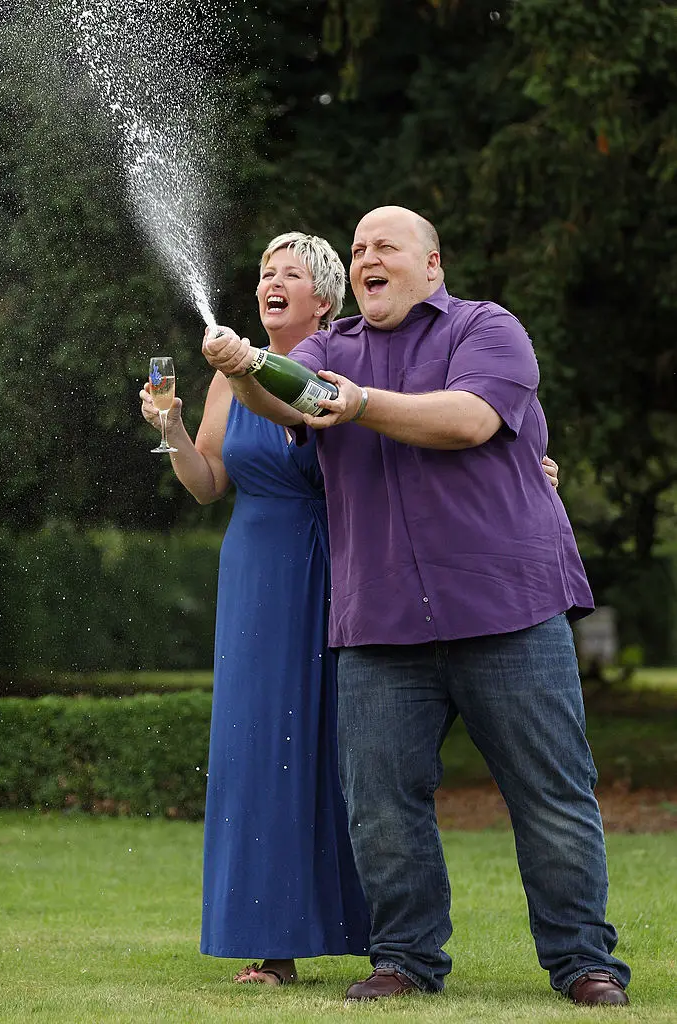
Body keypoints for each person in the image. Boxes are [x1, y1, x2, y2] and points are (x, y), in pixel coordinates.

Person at [201, 206, 631, 1007]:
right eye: (358, 248)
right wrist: (244, 368)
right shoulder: (329, 347)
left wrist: (360, 403)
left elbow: (469, 419)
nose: (366, 256)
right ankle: (404, 960)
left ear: (430, 265)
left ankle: (582, 964)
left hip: (507, 609)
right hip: (381, 619)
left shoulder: (486, 328)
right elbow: (291, 400)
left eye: (383, 246)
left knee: (550, 795)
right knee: (382, 806)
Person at [141, 232, 371, 986]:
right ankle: (270, 945)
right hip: (252, 567)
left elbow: (293, 414)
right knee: (254, 750)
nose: (271, 281)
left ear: (324, 302)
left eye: (291, 274)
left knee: (332, 747)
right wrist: (171, 429)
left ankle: (380, 937)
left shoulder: (340, 366)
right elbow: (209, 482)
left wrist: (246, 371)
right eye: (266, 272)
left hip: (328, 564)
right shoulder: (223, 380)